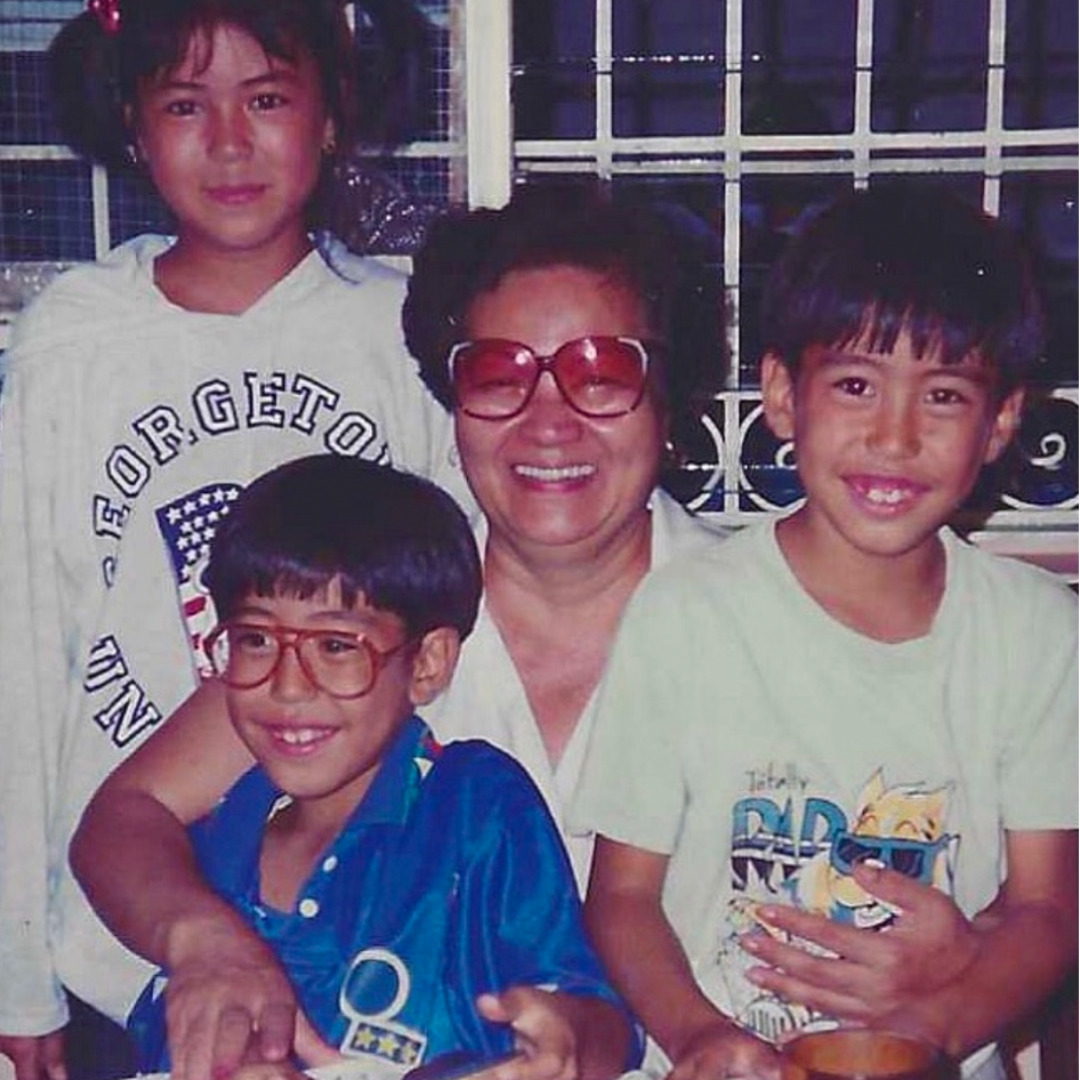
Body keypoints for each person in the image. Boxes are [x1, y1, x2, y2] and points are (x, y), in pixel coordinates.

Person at [69, 185, 729, 1079]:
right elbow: (126, 816)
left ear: (669, 397)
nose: (548, 419)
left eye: (601, 372)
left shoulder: (754, 617)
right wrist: (207, 943)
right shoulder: (376, 597)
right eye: (498, 374)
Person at [0, 2, 465, 1078]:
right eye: (183, 105)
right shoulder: (77, 341)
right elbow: (19, 647)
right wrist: (18, 967)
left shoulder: (397, 331)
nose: (227, 142)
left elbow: (448, 635)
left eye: (265, 99)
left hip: (368, 930)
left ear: (331, 114)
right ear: (132, 124)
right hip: (120, 942)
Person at [570, 183, 1078, 1080]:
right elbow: (621, 898)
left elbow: (1049, 912)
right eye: (855, 385)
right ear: (780, 394)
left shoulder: (1038, 633)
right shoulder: (687, 613)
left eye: (944, 396)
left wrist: (932, 1030)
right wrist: (696, 1035)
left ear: (1001, 421)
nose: (895, 437)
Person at [123, 453, 639, 1080]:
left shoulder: (472, 808)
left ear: (427, 663)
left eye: (336, 646)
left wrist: (570, 1042)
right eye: (256, 640)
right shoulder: (210, 835)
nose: (288, 686)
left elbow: (599, 1020)